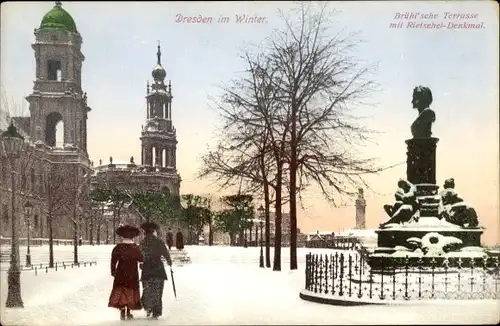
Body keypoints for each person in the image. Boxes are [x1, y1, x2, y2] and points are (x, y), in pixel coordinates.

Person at [108, 225, 144, 320]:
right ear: (133, 237)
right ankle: (128, 311)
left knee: (122, 290)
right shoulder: (135, 248)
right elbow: (141, 259)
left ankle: (122, 310)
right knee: (130, 291)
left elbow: (113, 260)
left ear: (122, 236)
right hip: (132, 272)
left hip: (121, 272)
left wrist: (113, 271)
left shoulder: (118, 247)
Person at [139, 222, 173, 319]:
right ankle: (156, 311)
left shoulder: (142, 243)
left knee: (147, 290)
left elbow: (140, 256)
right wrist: (169, 262)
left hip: (147, 270)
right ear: (153, 231)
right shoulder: (159, 241)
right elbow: (166, 253)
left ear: (145, 232)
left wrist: (141, 264)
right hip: (158, 269)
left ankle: (148, 307)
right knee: (158, 291)